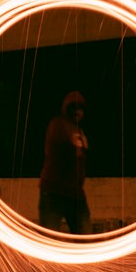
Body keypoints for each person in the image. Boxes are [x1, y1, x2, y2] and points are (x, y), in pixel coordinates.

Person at [39, 91, 92, 234]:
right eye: (72, 108)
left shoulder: (79, 131)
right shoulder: (57, 124)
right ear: (66, 109)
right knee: (49, 238)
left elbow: (80, 160)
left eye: (80, 109)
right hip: (54, 191)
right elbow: (65, 151)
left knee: (85, 237)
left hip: (75, 193)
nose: (76, 112)